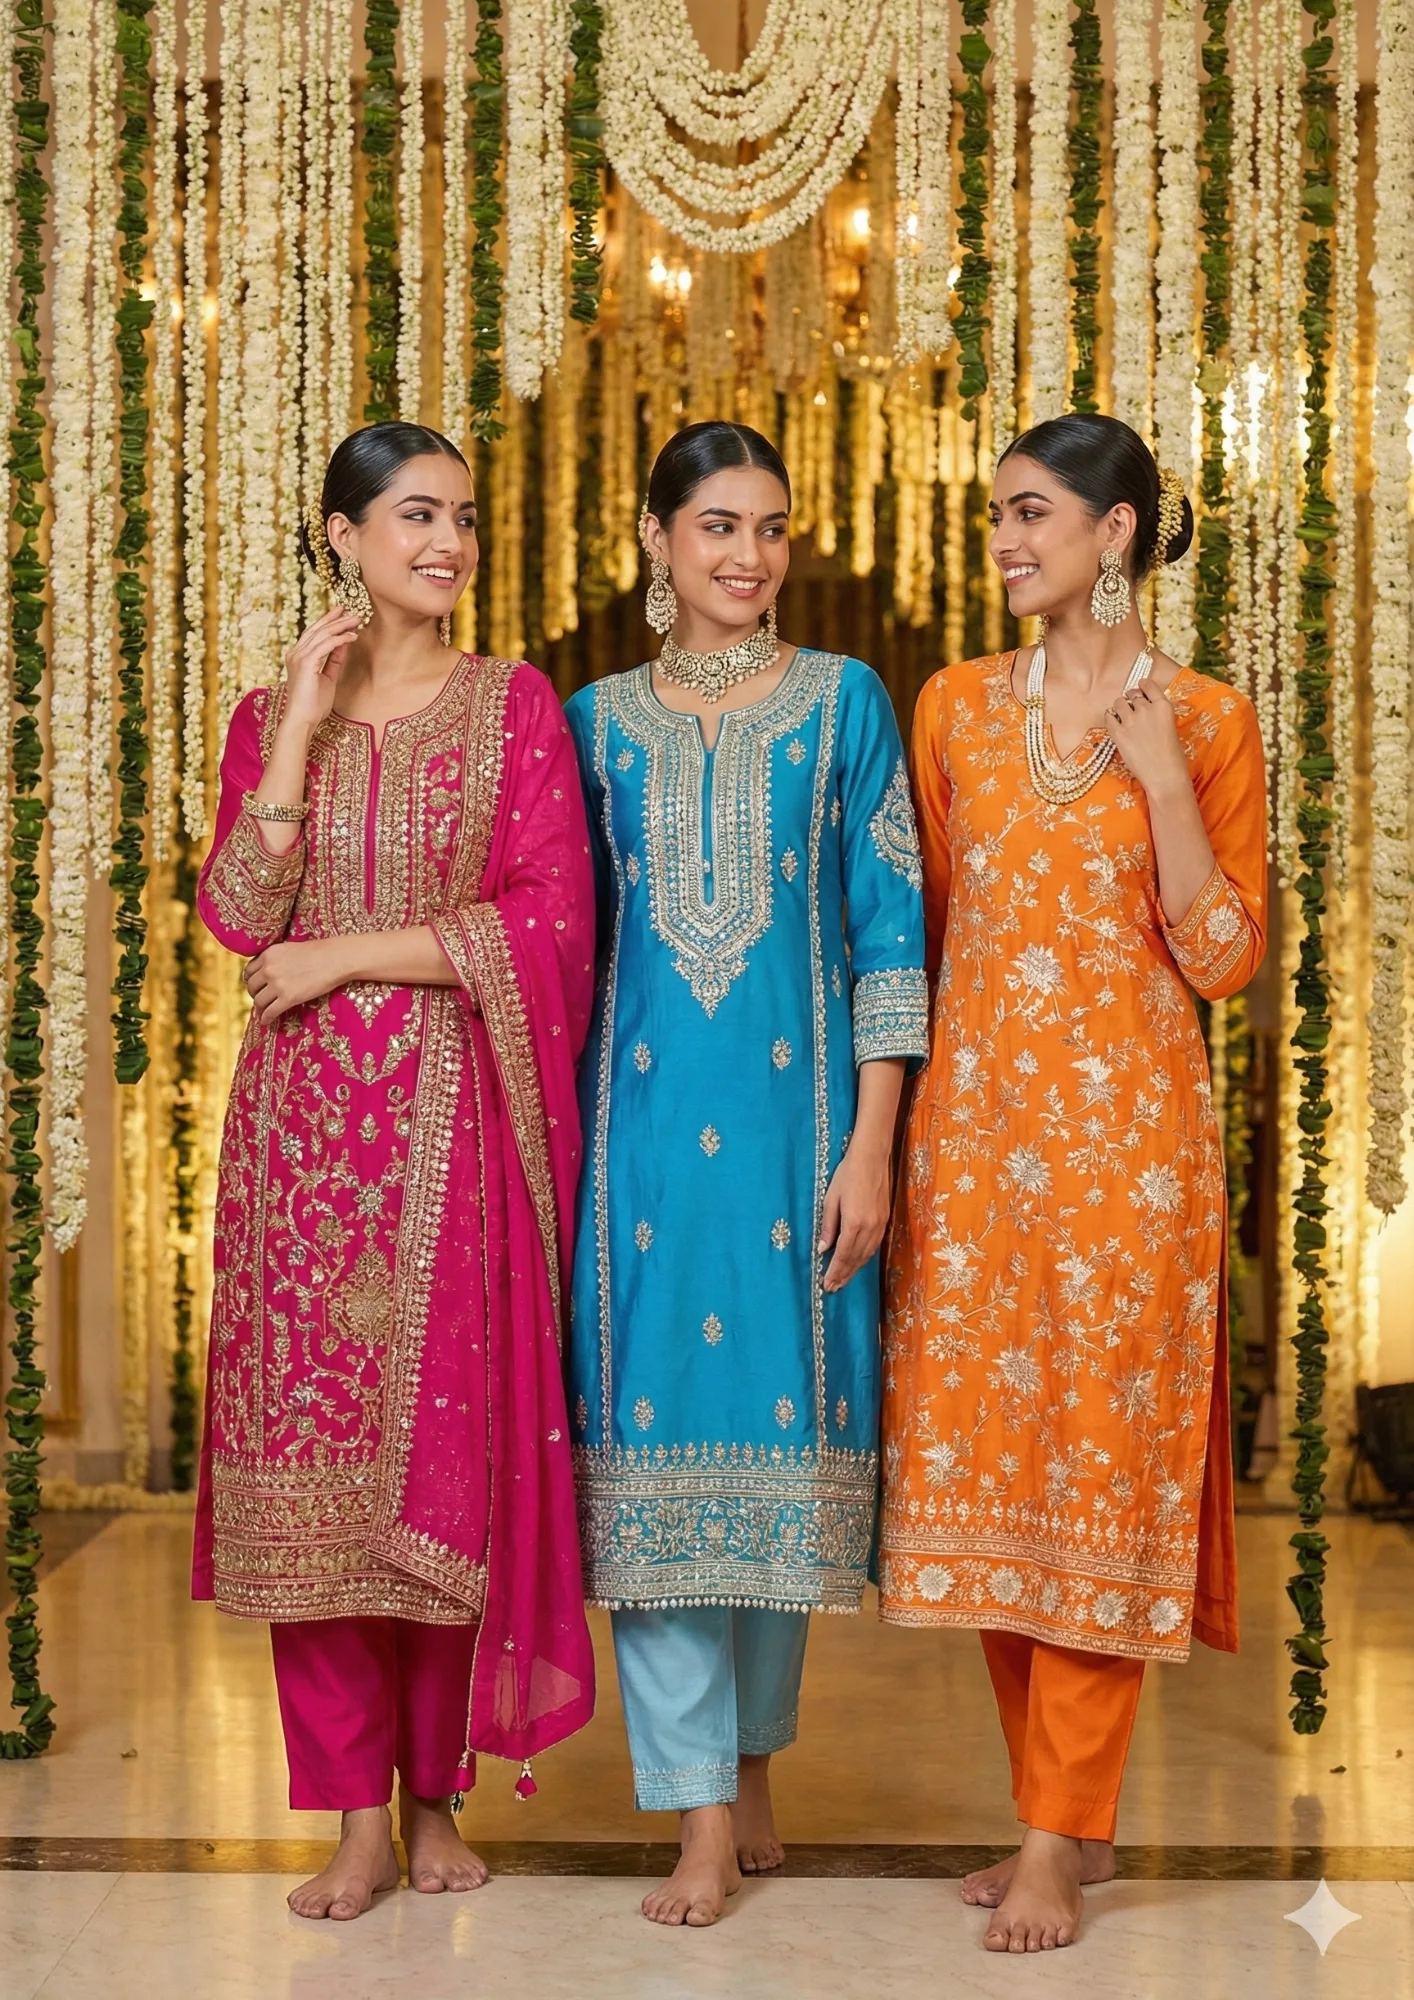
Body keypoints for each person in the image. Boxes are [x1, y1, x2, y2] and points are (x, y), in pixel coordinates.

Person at [192, 422, 595, 1921]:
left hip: (454, 1131)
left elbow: (552, 921)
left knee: (443, 1471)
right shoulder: (263, 716)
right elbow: (239, 912)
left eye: (465, 518)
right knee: (313, 1491)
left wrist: (344, 958)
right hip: (298, 1155)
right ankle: (353, 1817)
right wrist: (295, 726)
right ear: (343, 536)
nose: (449, 543)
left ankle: (435, 1800)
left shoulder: (512, 707)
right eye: (417, 515)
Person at [879, 413, 1267, 1954]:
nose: (1005, 540)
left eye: (1032, 514)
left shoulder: (1211, 719)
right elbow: (919, 931)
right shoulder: (958, 710)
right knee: (993, 1485)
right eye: (997, 516)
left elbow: (1223, 960)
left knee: (1095, 1476)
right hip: (972, 1160)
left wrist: (1164, 782)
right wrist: (883, 1134)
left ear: (1117, 534)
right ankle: (1063, 1817)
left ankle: (1053, 1838)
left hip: (1130, 1170)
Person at [565, 421, 928, 1927]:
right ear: (654, 539)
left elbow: (892, 934)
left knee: (783, 1459)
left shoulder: (845, 706)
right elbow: (564, 946)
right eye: (716, 526)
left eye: (769, 528)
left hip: (799, 1146)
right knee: (653, 1461)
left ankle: (750, 1753)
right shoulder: (585, 723)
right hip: (637, 1146)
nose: (748, 556)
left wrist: (870, 1147)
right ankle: (697, 1817)